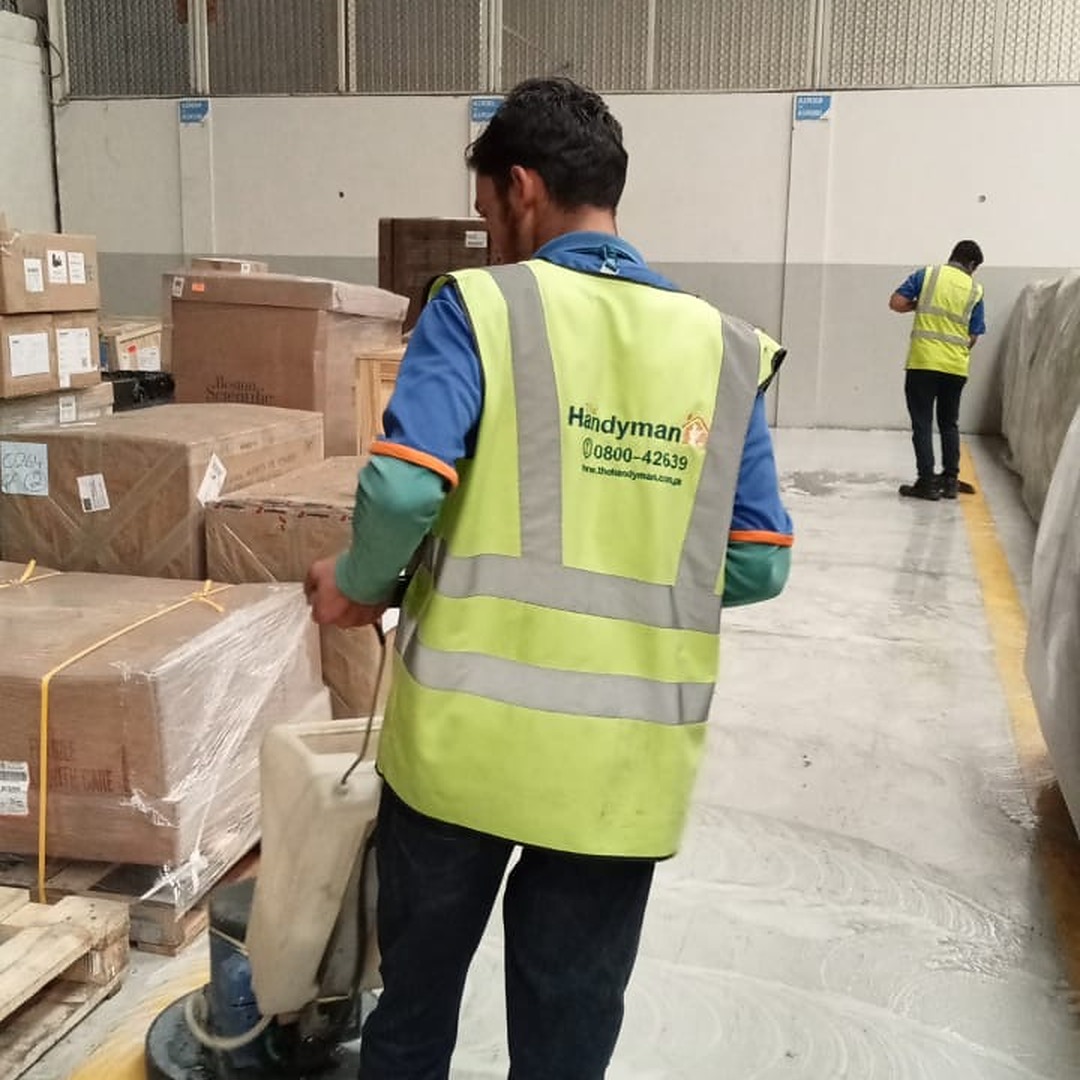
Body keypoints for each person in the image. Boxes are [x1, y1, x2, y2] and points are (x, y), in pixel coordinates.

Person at [305, 77, 793, 1080]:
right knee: (568, 1036)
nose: (488, 239)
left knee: (414, 1014)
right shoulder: (726, 349)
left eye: (487, 214)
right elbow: (754, 562)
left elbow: (402, 495)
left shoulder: (482, 307)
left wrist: (361, 583)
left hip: (460, 753)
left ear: (520, 188)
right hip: (621, 776)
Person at [890, 240, 986, 500]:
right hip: (955, 367)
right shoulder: (975, 289)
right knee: (949, 423)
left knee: (922, 423)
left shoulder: (928, 275)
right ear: (972, 264)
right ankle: (951, 480)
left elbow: (897, 302)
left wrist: (917, 306)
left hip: (923, 363)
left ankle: (926, 483)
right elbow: (974, 334)